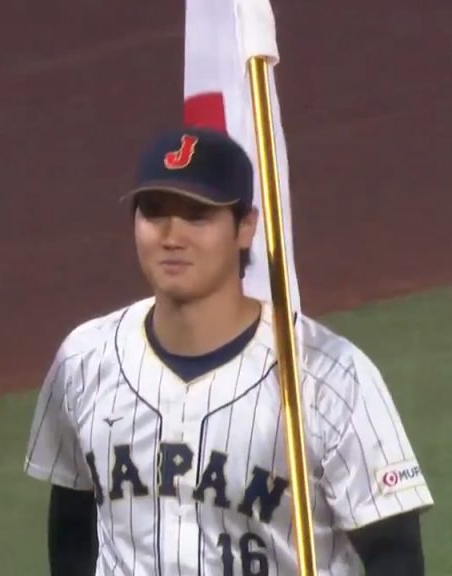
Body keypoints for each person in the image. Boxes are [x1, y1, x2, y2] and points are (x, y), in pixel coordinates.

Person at [23, 128, 433, 576]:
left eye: (198, 215)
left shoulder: (328, 377)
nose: (171, 235)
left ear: (246, 227)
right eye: (154, 212)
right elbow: (72, 523)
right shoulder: (85, 360)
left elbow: (394, 554)